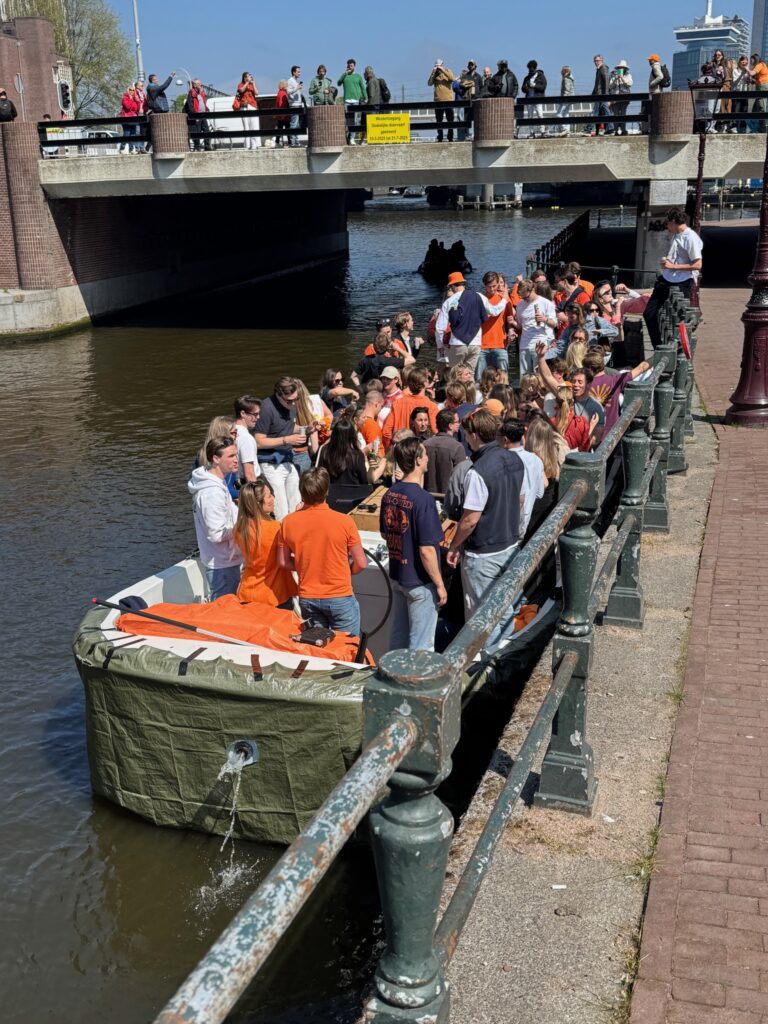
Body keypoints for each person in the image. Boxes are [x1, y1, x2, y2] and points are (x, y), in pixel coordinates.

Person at [446, 409, 525, 650]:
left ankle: (486, 669)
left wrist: (454, 545)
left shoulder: (478, 472)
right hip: (510, 545)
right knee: (505, 608)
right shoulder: (515, 458)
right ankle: (503, 656)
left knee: (483, 616)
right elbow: (520, 499)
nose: (466, 438)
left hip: (484, 554)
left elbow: (470, 519)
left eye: (467, 434)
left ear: (475, 435)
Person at [277, 467, 366, 636]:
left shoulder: (288, 522)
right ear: (326, 491)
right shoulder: (345, 521)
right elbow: (361, 563)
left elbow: (282, 561)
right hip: (339, 595)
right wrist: (346, 570)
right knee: (347, 650)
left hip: (308, 597)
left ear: (302, 491)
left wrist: (305, 566)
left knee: (318, 649)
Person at [380, 437, 447, 651]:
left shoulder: (390, 494)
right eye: (425, 454)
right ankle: (415, 684)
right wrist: (439, 584)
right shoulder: (423, 500)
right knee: (421, 648)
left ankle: (393, 679)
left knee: (398, 640)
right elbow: (427, 550)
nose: (428, 458)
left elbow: (385, 532)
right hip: (420, 582)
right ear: (418, 460)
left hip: (399, 575)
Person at [188, 435, 242, 600]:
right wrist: (243, 529)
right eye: (231, 456)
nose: (236, 460)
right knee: (225, 613)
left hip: (227, 560)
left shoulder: (217, 483)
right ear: (216, 459)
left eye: (236, 455)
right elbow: (216, 534)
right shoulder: (211, 493)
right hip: (222, 564)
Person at [643, 206, 703, 348]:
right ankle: (658, 346)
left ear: (675, 222)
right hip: (667, 278)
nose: (666, 226)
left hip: (682, 281)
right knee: (649, 313)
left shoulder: (690, 238)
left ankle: (675, 349)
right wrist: (668, 263)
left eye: (668, 223)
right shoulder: (677, 234)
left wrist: (673, 267)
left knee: (679, 316)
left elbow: (698, 265)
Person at [234, 479, 297, 607]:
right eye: (269, 496)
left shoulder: (239, 529)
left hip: (248, 593)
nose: (273, 498)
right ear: (258, 503)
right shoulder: (276, 529)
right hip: (274, 595)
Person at [435, 271, 508, 376]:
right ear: (463, 283)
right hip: (475, 343)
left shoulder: (448, 302)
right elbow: (494, 311)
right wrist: (504, 300)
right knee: (469, 375)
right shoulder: (479, 296)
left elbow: (440, 328)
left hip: (457, 343)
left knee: (455, 375)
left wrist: (441, 346)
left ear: (451, 286)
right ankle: (470, 392)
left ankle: (457, 392)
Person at [254, 376, 305, 520]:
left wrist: (306, 429)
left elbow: (287, 426)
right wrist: (286, 440)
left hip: (288, 460)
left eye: (296, 399)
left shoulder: (292, 404)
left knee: (297, 505)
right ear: (278, 394)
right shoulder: (266, 409)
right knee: (281, 510)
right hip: (271, 464)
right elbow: (259, 441)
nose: (293, 403)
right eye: (289, 401)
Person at [498, 418, 545, 540]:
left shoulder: (502, 461)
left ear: (505, 439)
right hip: (524, 524)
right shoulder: (536, 460)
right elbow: (539, 493)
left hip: (504, 526)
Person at [582, 349, 650, 431]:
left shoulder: (583, 385)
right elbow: (641, 368)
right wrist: (657, 356)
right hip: (612, 430)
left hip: (590, 430)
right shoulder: (615, 380)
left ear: (589, 368)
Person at [382, 367, 439, 448]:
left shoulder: (397, 403)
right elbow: (435, 431)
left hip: (400, 450)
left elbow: (386, 432)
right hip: (419, 451)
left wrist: (392, 448)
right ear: (425, 383)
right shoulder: (431, 406)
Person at [515, 278, 557, 375]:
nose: (524, 300)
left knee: (539, 376)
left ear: (532, 290)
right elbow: (520, 325)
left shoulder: (546, 303)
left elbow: (554, 324)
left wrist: (544, 319)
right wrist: (512, 323)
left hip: (540, 344)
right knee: (524, 377)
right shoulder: (520, 305)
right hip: (524, 345)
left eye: (526, 297)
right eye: (522, 297)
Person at [477, 270, 514, 378]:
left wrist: (511, 330)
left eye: (494, 286)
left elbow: (509, 320)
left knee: (503, 378)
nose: (492, 289)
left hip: (500, 344)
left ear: (498, 283)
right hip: (482, 345)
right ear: (485, 286)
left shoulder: (505, 300)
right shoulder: (480, 300)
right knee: (480, 379)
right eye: (489, 286)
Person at [195, 415, 239, 500]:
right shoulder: (224, 459)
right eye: (234, 433)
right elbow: (228, 489)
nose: (237, 436)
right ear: (224, 434)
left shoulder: (201, 454)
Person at [423, 407, 466, 494]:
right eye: (457, 422)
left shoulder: (424, 444)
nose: (459, 424)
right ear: (450, 426)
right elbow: (461, 478)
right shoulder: (457, 447)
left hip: (427, 496)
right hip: (448, 500)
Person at [233, 394, 261, 483]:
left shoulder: (231, 431)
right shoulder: (246, 438)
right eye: (255, 414)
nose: (258, 417)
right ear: (243, 413)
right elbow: (249, 473)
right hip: (250, 481)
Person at [338, 58, 367, 144]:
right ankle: (346, 137)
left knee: (354, 120)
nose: (349, 67)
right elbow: (338, 83)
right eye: (348, 65)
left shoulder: (358, 76)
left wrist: (366, 98)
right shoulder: (345, 76)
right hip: (347, 100)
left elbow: (363, 88)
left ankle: (352, 138)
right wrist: (344, 74)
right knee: (347, 120)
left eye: (351, 65)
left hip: (355, 101)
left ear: (354, 66)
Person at [428, 59, 456, 142]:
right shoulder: (435, 75)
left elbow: (452, 78)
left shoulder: (448, 71)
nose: (438, 68)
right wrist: (433, 72)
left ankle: (450, 137)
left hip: (448, 100)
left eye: (439, 66)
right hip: (438, 101)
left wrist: (443, 71)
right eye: (437, 66)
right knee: (439, 120)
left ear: (443, 65)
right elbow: (429, 83)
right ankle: (440, 136)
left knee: (450, 119)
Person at [521, 60, 547, 137]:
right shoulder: (527, 77)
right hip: (529, 99)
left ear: (535, 68)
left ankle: (542, 132)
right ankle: (531, 133)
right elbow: (522, 89)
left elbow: (543, 87)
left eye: (531, 68)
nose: (530, 70)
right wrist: (525, 88)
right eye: (529, 68)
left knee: (540, 114)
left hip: (538, 98)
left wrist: (534, 85)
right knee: (530, 116)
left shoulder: (541, 76)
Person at [587, 54, 611, 136]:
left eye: (597, 60)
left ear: (601, 60)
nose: (596, 62)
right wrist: (593, 94)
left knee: (596, 112)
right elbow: (597, 84)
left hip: (602, 95)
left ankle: (589, 128)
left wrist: (606, 95)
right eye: (595, 61)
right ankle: (609, 128)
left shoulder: (603, 68)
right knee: (603, 112)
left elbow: (606, 82)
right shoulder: (598, 69)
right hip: (599, 94)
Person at [235, 72, 259, 150]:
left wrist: (253, 84)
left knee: (254, 126)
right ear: (245, 77)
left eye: (251, 76)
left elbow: (257, 93)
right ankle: (247, 145)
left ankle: (254, 144)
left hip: (253, 106)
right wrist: (247, 82)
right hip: (244, 106)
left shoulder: (252, 84)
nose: (250, 78)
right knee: (246, 126)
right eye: (248, 76)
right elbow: (241, 90)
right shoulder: (241, 84)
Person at [187, 79, 212, 151]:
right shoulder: (191, 92)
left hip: (203, 115)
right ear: (194, 85)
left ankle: (207, 146)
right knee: (197, 131)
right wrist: (194, 114)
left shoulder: (201, 93)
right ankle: (197, 147)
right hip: (197, 115)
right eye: (198, 84)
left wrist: (207, 109)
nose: (200, 85)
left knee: (207, 130)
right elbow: (190, 105)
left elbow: (203, 103)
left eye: (200, 84)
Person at [609, 60, 633, 136]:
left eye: (622, 68)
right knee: (615, 114)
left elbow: (629, 84)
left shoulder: (628, 75)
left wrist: (622, 78)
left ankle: (623, 130)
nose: (621, 69)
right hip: (615, 98)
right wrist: (615, 79)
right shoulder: (613, 75)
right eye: (620, 68)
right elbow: (610, 86)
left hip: (625, 98)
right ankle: (615, 130)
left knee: (623, 114)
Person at [119, 84, 141, 153]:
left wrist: (137, 101)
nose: (132, 91)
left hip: (133, 117)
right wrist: (131, 99)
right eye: (130, 90)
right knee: (127, 133)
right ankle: (122, 148)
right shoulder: (125, 98)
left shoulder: (135, 98)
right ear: (128, 90)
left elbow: (137, 109)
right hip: (126, 117)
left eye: (133, 90)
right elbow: (127, 107)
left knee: (133, 134)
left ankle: (131, 149)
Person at [732, 55, 751, 133]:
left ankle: (743, 127)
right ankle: (734, 126)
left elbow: (749, 81)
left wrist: (748, 74)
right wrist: (742, 74)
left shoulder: (747, 71)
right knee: (736, 109)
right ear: (739, 62)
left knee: (744, 110)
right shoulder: (735, 71)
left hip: (745, 92)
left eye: (745, 61)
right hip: (737, 92)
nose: (744, 63)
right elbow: (735, 81)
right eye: (742, 61)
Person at [286, 65, 304, 147]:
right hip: (294, 105)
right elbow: (288, 91)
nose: (300, 73)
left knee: (296, 124)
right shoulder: (290, 81)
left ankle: (296, 142)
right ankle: (292, 142)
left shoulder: (295, 81)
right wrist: (297, 88)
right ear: (294, 72)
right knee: (294, 124)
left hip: (297, 104)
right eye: (298, 71)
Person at [275, 80, 290, 147]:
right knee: (287, 129)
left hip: (281, 115)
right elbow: (281, 104)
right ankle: (289, 142)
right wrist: (283, 114)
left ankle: (277, 142)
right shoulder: (283, 93)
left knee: (280, 129)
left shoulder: (280, 92)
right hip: (284, 115)